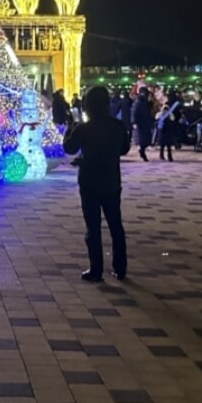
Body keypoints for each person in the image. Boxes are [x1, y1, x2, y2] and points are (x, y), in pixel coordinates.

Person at [63, 86, 128, 282]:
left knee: (93, 227)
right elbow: (124, 149)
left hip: (90, 181)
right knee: (115, 224)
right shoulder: (117, 126)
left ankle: (96, 269)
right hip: (111, 179)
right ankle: (120, 267)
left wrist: (69, 129)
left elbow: (69, 148)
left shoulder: (84, 128)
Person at [156, 91, 182, 162]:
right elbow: (179, 113)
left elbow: (158, 117)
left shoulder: (167, 104)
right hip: (172, 125)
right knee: (169, 142)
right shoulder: (177, 104)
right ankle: (169, 155)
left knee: (163, 142)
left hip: (164, 126)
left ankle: (162, 154)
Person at [131, 87, 154, 162]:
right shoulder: (139, 101)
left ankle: (142, 151)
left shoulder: (145, 101)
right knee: (143, 139)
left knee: (146, 139)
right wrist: (135, 122)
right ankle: (142, 152)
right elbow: (135, 112)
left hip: (145, 122)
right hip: (141, 122)